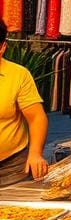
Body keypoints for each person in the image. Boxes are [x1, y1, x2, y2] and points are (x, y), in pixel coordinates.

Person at [0, 19, 48, 182]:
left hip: (11, 166)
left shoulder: (19, 75)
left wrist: (35, 153)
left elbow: (36, 117)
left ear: (2, 47)